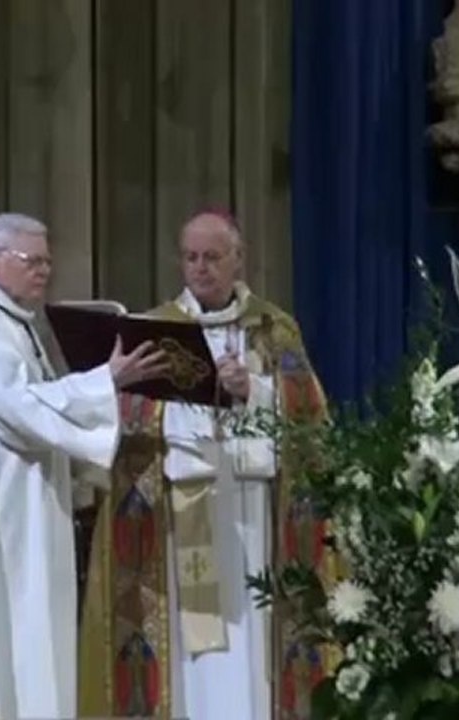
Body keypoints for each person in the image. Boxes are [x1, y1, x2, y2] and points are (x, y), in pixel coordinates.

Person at [0, 212, 168, 720]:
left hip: (21, 511)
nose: (44, 271)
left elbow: (38, 408)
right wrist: (102, 381)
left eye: (48, 261)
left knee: (24, 637)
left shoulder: (9, 323)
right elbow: (17, 408)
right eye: (33, 261)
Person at [78, 210, 337, 719]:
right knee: (194, 645)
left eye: (213, 257)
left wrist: (255, 391)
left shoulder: (273, 329)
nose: (201, 268)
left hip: (253, 514)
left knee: (255, 634)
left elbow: (310, 413)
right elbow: (129, 418)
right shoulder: (155, 330)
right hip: (182, 508)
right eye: (191, 257)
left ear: (238, 260)